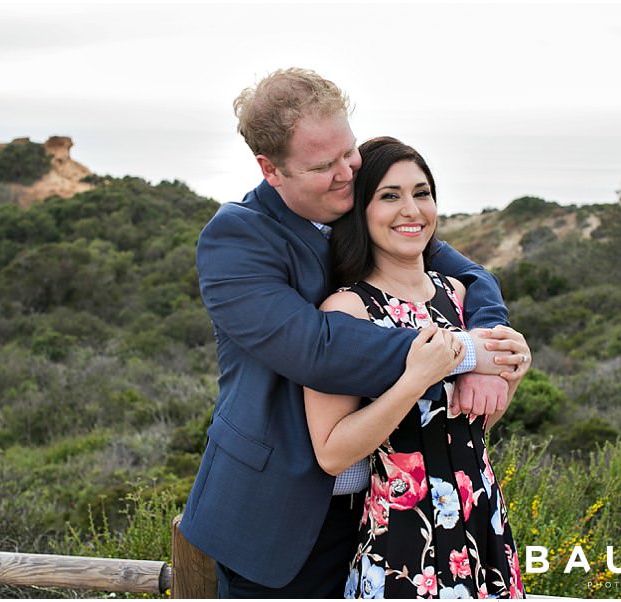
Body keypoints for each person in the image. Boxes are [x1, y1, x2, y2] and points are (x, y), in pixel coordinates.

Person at [179, 68, 525, 598]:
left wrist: (492, 336)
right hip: (280, 511)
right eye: (323, 165)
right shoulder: (235, 239)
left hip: (388, 512)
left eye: (349, 153)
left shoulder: (359, 206)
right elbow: (315, 347)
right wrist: (463, 353)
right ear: (271, 169)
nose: (346, 173)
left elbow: (471, 277)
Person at [304, 137, 529, 598]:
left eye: (422, 193)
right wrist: (415, 379)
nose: (412, 209)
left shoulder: (460, 296)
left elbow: (469, 426)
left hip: (482, 521)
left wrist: (510, 377)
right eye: (390, 196)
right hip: (404, 539)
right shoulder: (346, 311)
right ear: (361, 212)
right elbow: (331, 451)